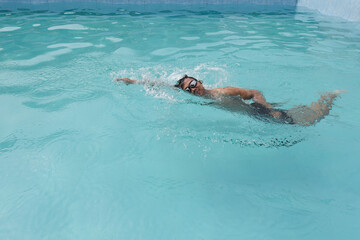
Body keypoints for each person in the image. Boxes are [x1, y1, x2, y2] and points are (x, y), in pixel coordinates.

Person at [115, 75, 345, 126]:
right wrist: (134, 82)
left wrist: (267, 108)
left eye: (194, 84)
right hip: (252, 114)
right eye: (188, 89)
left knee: (307, 121)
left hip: (257, 110)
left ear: (200, 81)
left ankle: (329, 97)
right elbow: (165, 86)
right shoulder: (192, 96)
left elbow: (254, 91)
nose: (193, 90)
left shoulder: (222, 92)